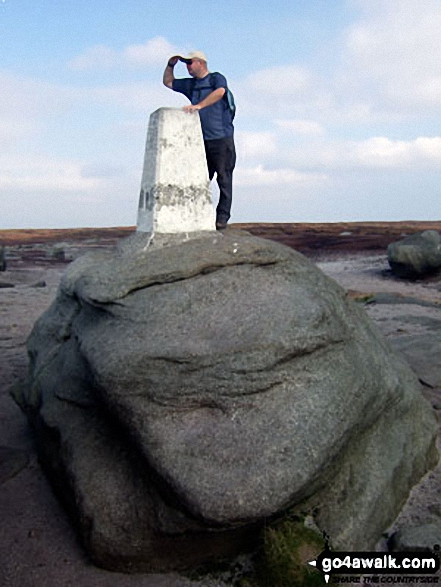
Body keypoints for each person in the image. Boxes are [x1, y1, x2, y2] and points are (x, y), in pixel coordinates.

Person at [163, 51, 235, 230]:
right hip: (201, 141)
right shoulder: (191, 85)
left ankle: (222, 219)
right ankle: (197, 216)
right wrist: (170, 65)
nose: (187, 66)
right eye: (185, 64)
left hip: (222, 138)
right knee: (200, 180)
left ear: (201, 63)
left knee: (224, 179)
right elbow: (168, 82)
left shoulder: (216, 78)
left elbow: (220, 92)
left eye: (190, 63)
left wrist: (199, 106)